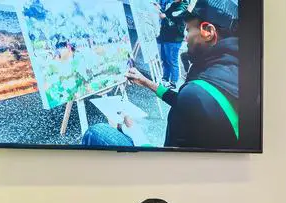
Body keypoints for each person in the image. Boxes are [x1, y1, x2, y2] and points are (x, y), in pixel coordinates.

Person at [82, 0, 239, 150]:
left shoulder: (197, 94)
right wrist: (146, 82)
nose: (186, 37)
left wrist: (135, 133)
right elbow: (185, 103)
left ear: (209, 32)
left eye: (189, 29)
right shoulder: (235, 68)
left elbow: (166, 165)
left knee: (96, 132)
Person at [157, 0, 188, 88]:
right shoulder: (174, 4)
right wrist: (160, 9)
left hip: (174, 39)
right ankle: (165, 78)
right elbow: (166, 14)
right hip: (166, 37)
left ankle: (174, 82)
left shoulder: (182, 8)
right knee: (165, 59)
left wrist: (164, 18)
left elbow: (173, 24)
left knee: (172, 61)